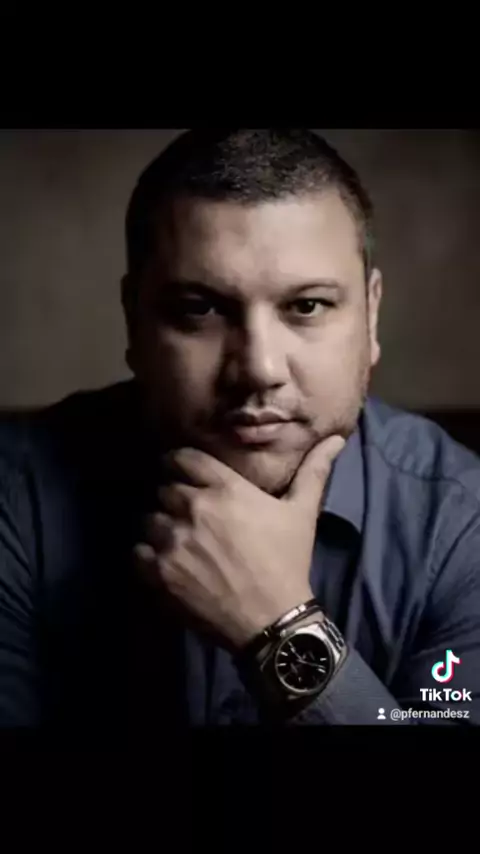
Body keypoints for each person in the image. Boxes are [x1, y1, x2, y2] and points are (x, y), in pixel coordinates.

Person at [0, 128, 479, 735]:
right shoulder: (18, 496)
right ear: (133, 320)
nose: (258, 368)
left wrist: (279, 626)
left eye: (306, 306)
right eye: (199, 309)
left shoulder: (462, 523)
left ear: (372, 314)